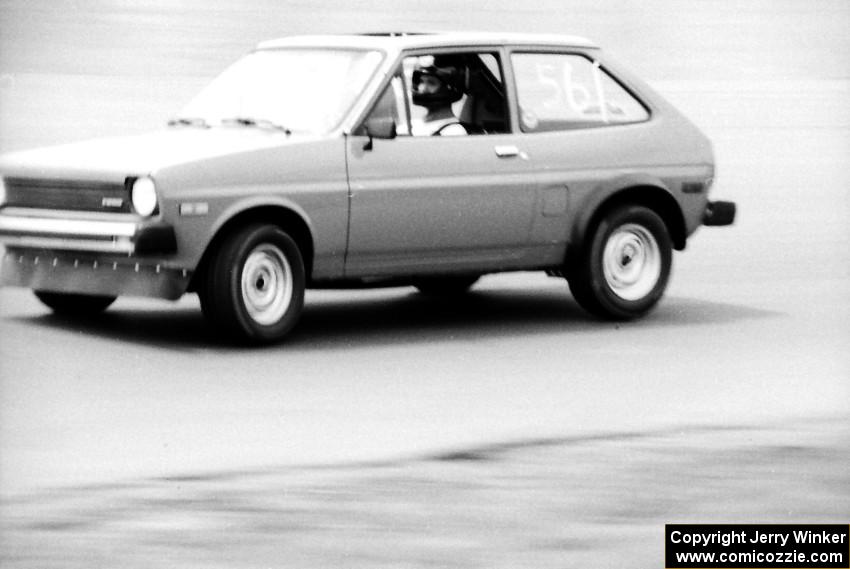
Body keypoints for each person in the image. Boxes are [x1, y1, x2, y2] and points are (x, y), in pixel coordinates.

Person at [411, 56, 468, 136]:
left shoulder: (453, 131)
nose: (422, 88)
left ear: (448, 89)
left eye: (431, 83)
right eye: (421, 81)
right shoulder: (415, 124)